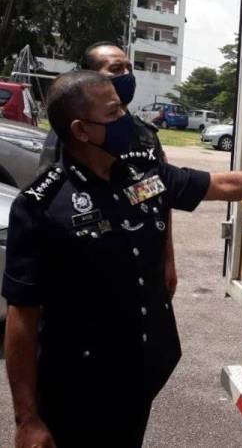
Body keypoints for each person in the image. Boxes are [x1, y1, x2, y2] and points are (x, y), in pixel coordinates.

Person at [3, 70, 242, 448]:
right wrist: (28, 418)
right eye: (114, 113)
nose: (128, 121)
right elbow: (23, 317)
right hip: (80, 387)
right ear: (81, 130)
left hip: (139, 375)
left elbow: (218, 185)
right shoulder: (42, 206)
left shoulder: (139, 175)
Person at [40, 41, 179, 300]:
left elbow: (160, 200)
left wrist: (167, 259)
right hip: (88, 274)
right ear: (91, 77)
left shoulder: (146, 136)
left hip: (141, 271)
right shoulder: (71, 135)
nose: (127, 74)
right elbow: (47, 212)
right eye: (116, 68)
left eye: (129, 67)